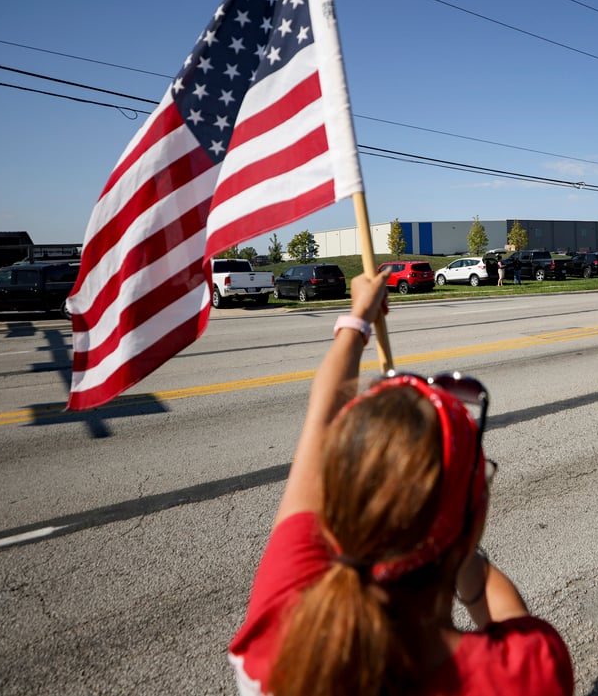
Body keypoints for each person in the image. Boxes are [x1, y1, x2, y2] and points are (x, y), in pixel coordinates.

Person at [229, 272, 573, 696]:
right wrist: (461, 551)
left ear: (338, 506)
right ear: (470, 517)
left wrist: (359, 317)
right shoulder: (523, 673)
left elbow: (321, 415)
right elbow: (510, 624)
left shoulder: (278, 625)